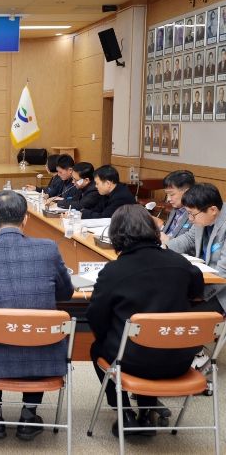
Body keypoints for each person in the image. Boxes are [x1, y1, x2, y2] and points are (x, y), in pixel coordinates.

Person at [0, 191, 73, 440]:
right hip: (43, 350)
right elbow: (65, 293)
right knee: (35, 329)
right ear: (25, 219)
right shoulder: (49, 248)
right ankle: (28, 416)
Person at [87, 205, 204, 437]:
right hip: (180, 360)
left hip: (131, 361)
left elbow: (96, 318)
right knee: (151, 342)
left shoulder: (113, 271)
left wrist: (110, 335)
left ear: (115, 234)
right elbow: (196, 291)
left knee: (99, 347)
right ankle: (147, 412)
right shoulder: (179, 263)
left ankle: (125, 414)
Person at [162, 183, 226, 313]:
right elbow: (189, 238)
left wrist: (199, 295)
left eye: (192, 214)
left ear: (213, 210)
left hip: (221, 293)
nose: (190, 219)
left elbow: (223, 273)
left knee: (181, 315)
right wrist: (164, 247)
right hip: (203, 280)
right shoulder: (203, 215)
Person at [153, 170, 194, 238]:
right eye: (167, 194)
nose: (168, 199)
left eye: (172, 194)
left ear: (187, 192)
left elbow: (189, 242)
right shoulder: (176, 208)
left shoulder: (195, 214)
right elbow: (168, 232)